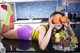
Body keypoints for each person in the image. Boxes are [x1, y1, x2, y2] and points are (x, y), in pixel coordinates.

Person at [0, 10, 75, 50]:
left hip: (31, 30)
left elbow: (73, 40)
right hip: (25, 33)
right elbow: (42, 47)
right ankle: (8, 14)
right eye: (56, 19)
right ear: (51, 20)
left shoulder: (59, 28)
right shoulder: (44, 28)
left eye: (61, 19)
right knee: (3, 33)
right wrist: (51, 27)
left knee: (9, 30)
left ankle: (10, 14)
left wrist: (69, 27)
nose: (58, 22)